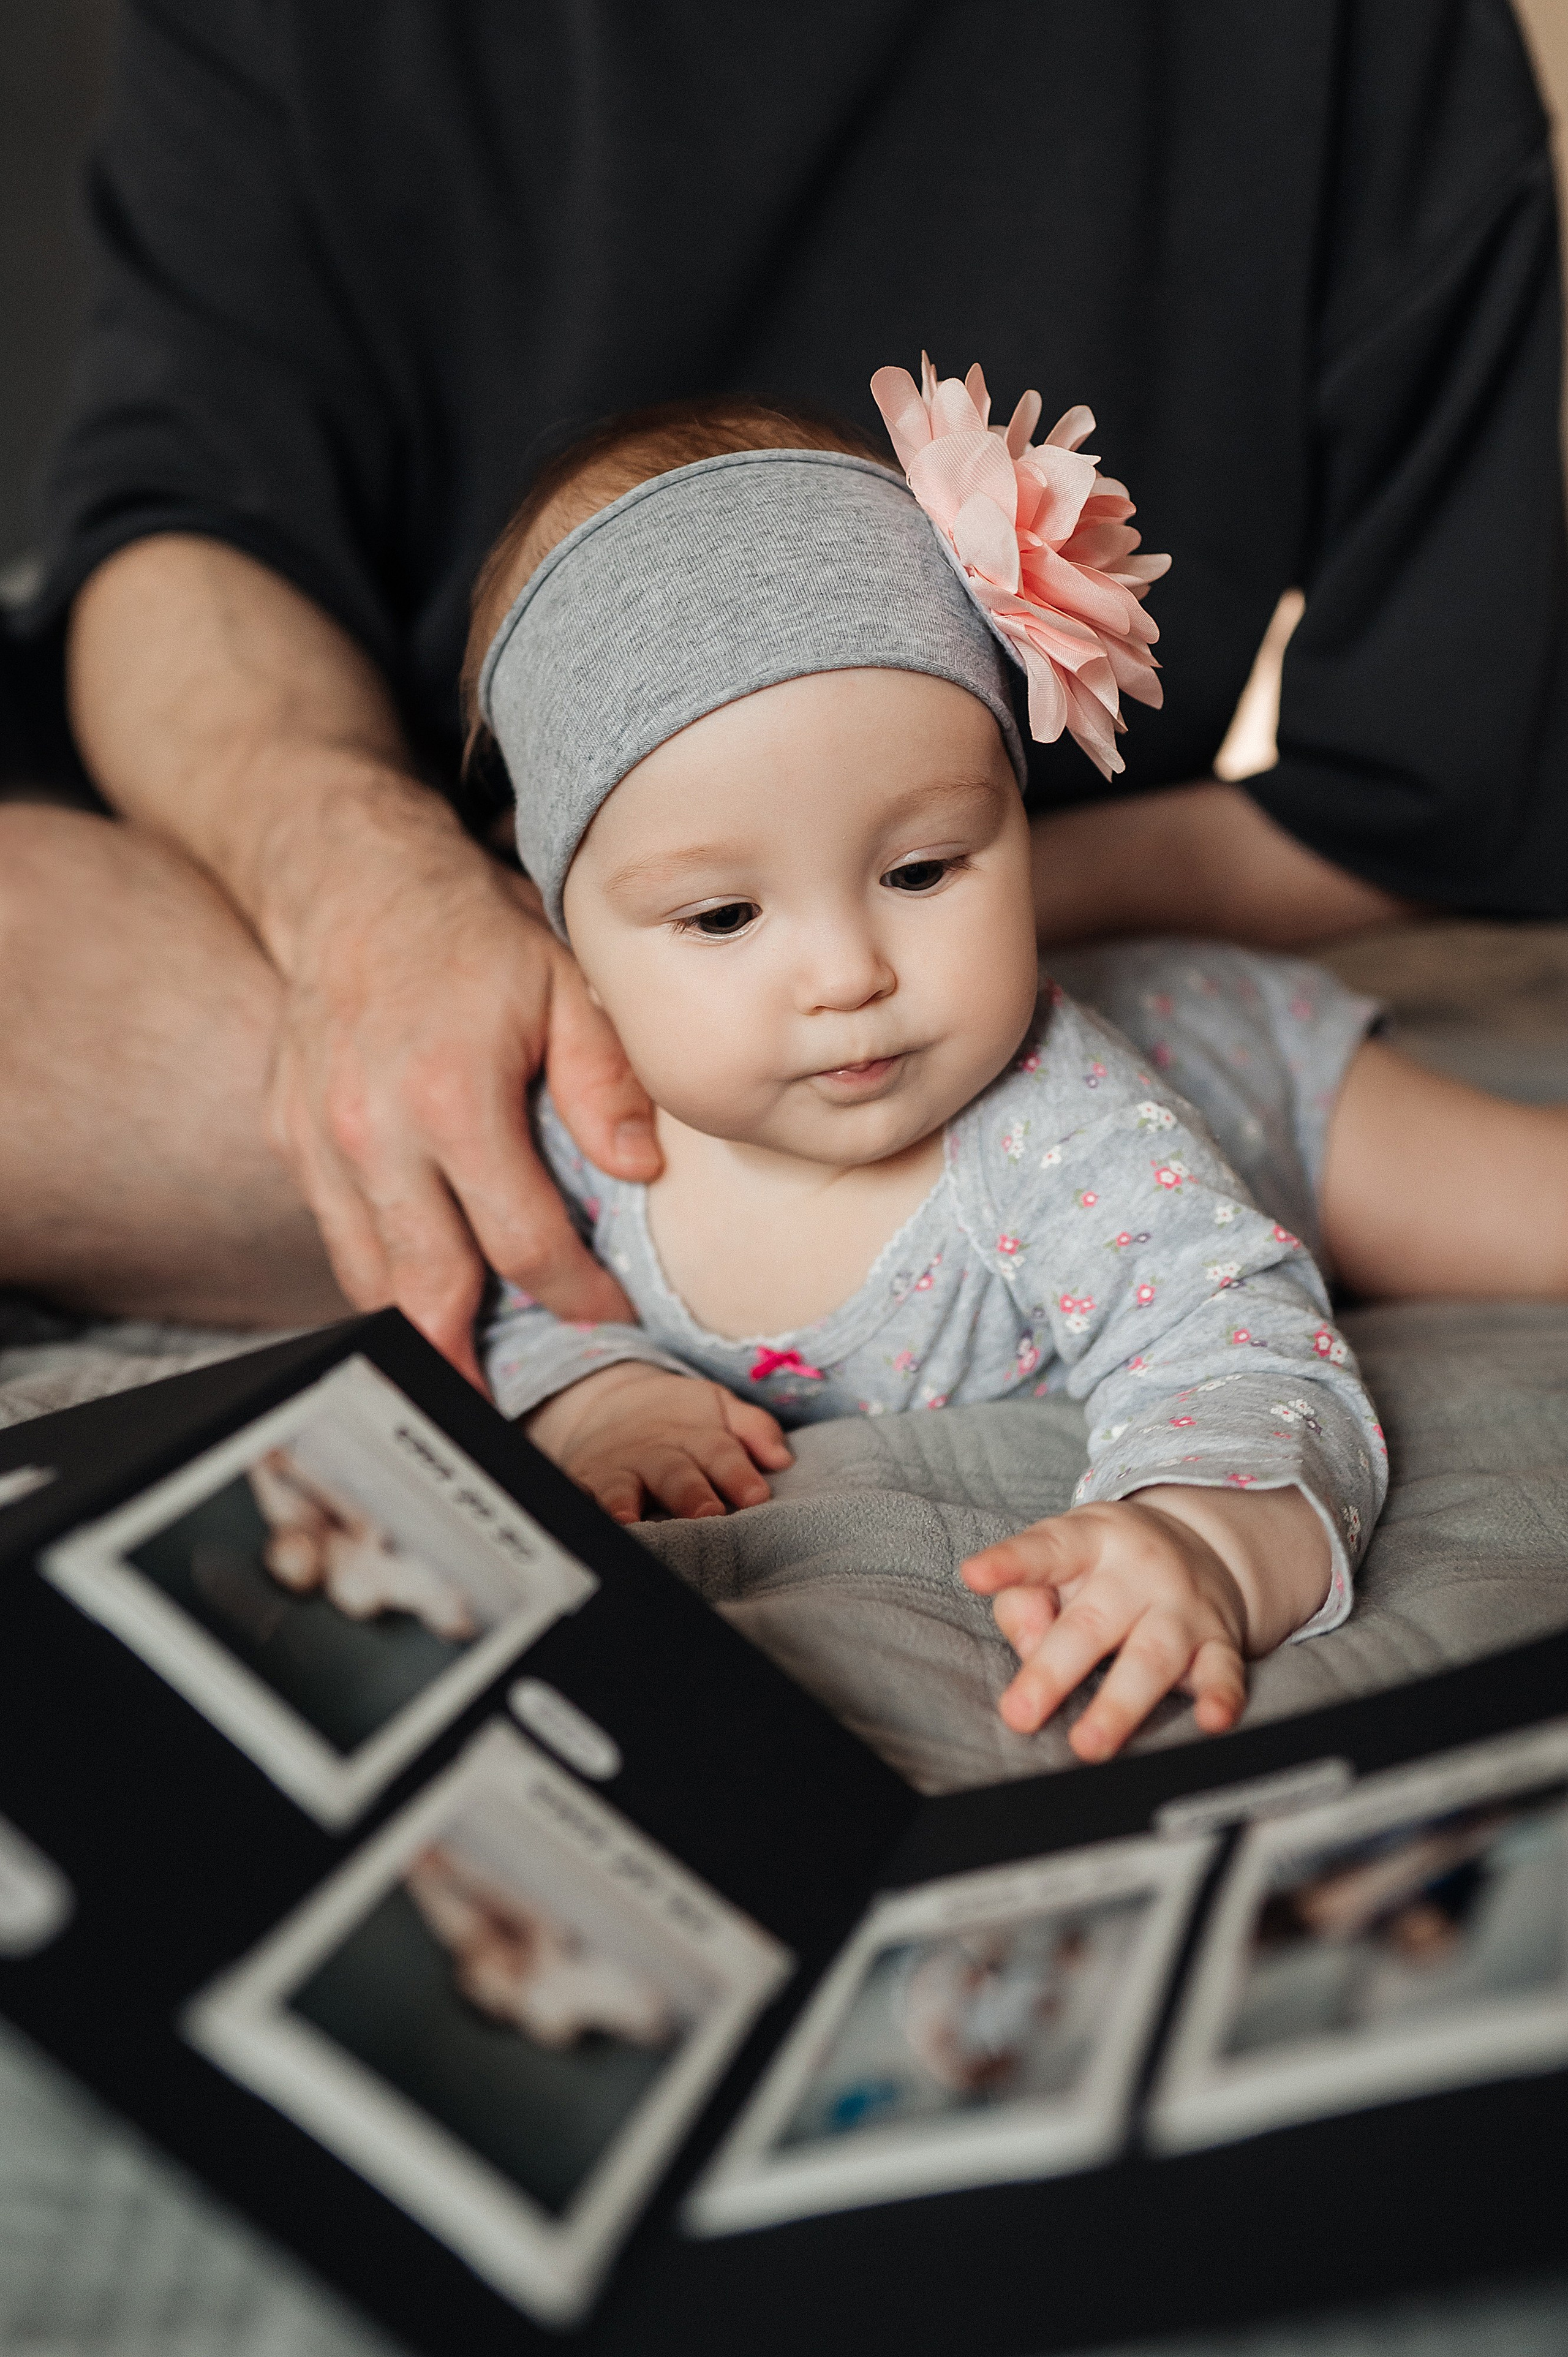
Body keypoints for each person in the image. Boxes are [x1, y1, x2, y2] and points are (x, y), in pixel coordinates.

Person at [2, 2, 1563, 1372]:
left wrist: (915, 894)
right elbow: (182, 518)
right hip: (441, 914)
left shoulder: (1338, 36)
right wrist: (373, 890)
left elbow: (1419, 790)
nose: (838, 985)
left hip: (989, 929)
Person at [467, 371, 1401, 1763]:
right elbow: (518, 1291)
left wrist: (1198, 1533)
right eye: (723, 916)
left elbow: (1233, 1335)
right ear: (575, 941)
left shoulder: (1049, 1120)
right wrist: (601, 1388)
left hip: (1258, 1080)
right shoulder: (583, 1119)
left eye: (919, 869)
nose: (847, 973)